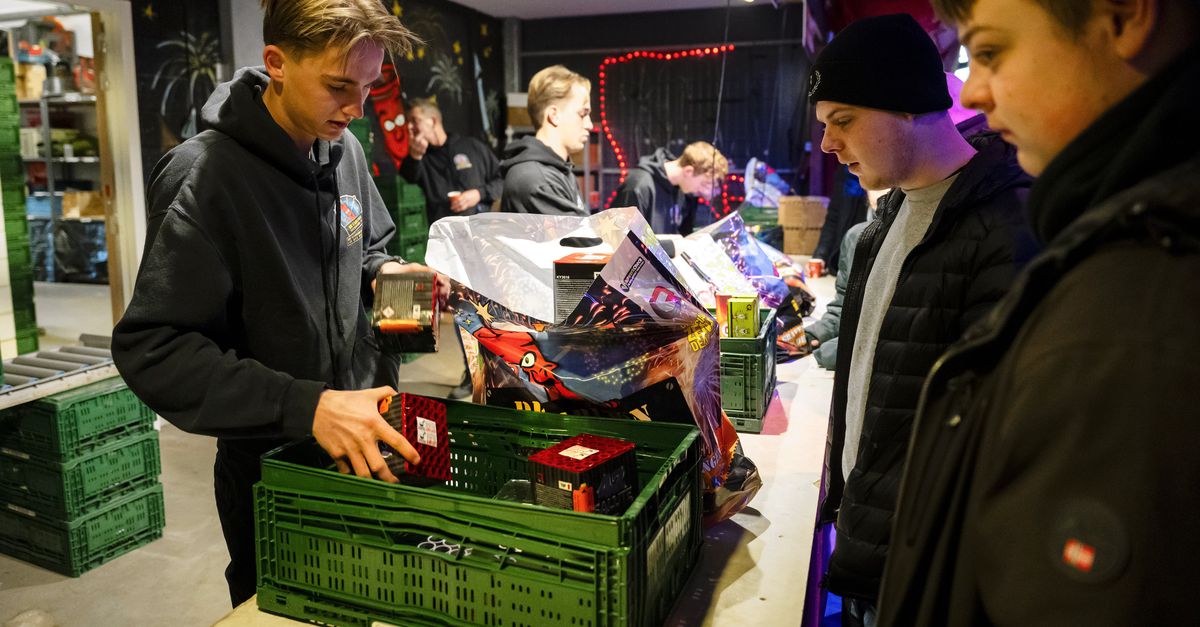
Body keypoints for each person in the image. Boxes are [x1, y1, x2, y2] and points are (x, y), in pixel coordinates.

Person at [111, 0, 446, 607]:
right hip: (274, 471)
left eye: (368, 88)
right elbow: (155, 349)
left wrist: (391, 274)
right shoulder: (203, 178)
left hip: (371, 441)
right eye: (339, 86)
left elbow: (366, 245)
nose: (356, 108)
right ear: (277, 63)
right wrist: (309, 406)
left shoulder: (341, 152)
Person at [879, 0, 1200, 624]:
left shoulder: (1135, 309)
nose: (971, 89)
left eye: (993, 51)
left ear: (1124, 16)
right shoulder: (1107, 244)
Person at [808, 14, 1041, 625]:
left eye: (843, 120)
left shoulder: (1003, 228)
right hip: (872, 547)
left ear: (908, 105)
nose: (829, 144)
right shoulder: (887, 216)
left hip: (927, 578)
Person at [500, 65, 591, 216]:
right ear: (554, 115)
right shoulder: (537, 180)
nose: (589, 125)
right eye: (583, 114)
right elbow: (583, 238)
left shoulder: (558, 170)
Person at [401, 97, 503, 224]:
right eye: (408, 122)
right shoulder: (420, 159)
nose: (409, 126)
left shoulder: (472, 146)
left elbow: (502, 180)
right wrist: (415, 155)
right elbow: (407, 179)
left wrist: (478, 194)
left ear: (432, 121)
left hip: (481, 231)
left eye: (414, 121)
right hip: (444, 235)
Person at [611, 141, 728, 235]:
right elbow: (621, 240)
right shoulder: (638, 186)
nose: (706, 193)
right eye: (705, 184)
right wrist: (673, 246)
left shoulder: (685, 192)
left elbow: (685, 235)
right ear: (688, 171)